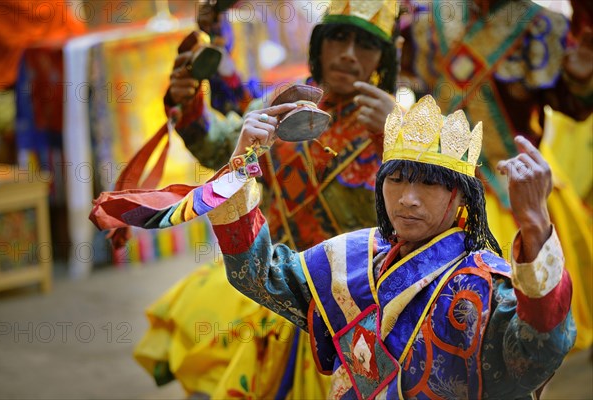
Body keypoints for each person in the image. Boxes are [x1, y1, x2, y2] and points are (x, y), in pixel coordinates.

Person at [92, 94, 576, 398]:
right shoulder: (350, 258)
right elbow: (257, 274)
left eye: (428, 184)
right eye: (398, 179)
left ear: (460, 197)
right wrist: (239, 169)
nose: (407, 198)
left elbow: (538, 351)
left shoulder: (487, 285)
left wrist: (535, 231)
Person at [130, 1, 401, 396]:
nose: (347, 53)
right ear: (319, 44)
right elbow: (217, 147)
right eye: (339, 38)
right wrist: (188, 101)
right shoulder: (283, 106)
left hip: (355, 307)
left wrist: (398, 134)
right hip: (274, 286)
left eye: (365, 44)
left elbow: (433, 214)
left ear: (383, 58)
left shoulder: (399, 124)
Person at [398, 0, 593, 351]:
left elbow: (574, 106)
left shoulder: (541, 26)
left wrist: (581, 78)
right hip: (442, 188)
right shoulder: (425, 23)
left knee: (533, 326)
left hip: (518, 190)